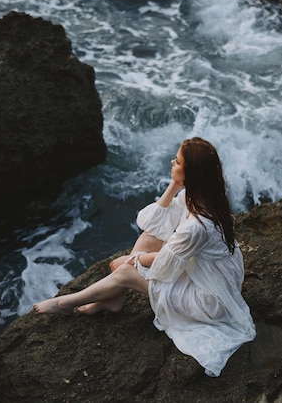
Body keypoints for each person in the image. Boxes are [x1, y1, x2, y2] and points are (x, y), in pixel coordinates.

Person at [33, 137, 256, 377]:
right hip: (206, 275)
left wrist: (133, 261)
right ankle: (113, 297)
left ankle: (66, 303)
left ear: (190, 172)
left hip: (209, 300)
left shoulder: (198, 225)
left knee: (126, 270)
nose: (172, 162)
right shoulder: (198, 198)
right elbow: (151, 223)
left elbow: (166, 266)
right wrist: (174, 185)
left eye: (177, 161)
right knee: (149, 238)